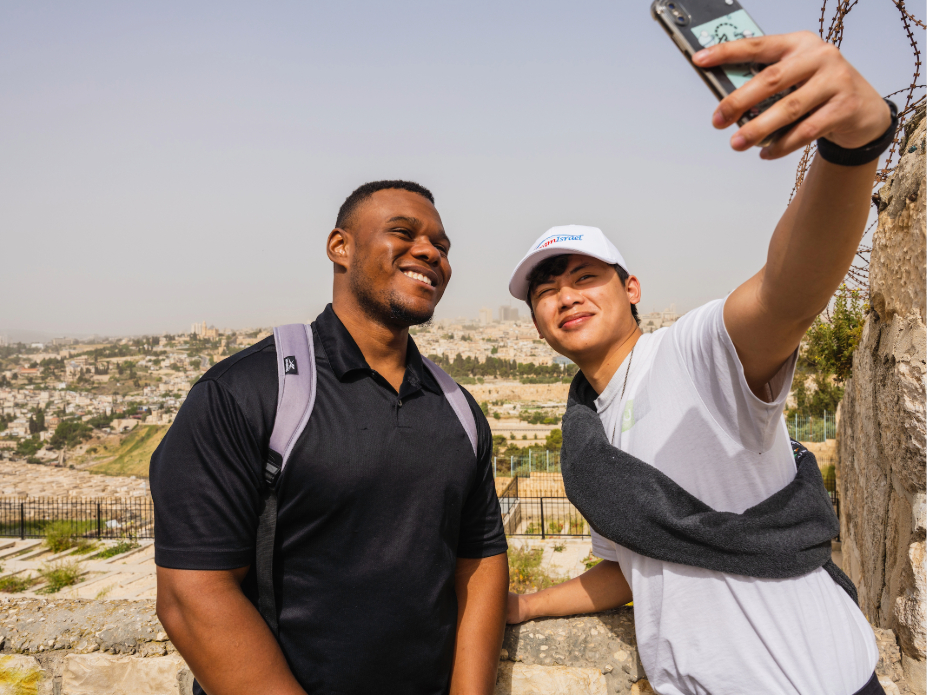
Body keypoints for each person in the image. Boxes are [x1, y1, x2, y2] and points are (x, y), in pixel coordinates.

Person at [505, 32, 895, 695]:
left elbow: (785, 293)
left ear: (630, 289)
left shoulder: (685, 355)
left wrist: (851, 146)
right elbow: (634, 566)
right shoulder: (586, 434)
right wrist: (521, 605)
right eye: (544, 288)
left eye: (582, 276)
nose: (563, 294)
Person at [150, 180, 509, 695]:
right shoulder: (249, 391)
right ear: (340, 246)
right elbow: (192, 595)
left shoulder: (458, 409)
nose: (430, 251)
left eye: (442, 246)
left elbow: (479, 562)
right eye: (403, 232)